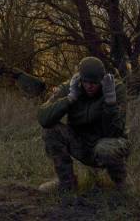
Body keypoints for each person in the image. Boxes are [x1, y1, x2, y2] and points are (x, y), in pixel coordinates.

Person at [37, 56, 129, 192]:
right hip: (80, 142)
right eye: (86, 81)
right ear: (80, 79)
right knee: (50, 130)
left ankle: (122, 184)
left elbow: (115, 131)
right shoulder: (70, 86)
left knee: (106, 148)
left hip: (107, 141)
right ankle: (66, 183)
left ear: (102, 79)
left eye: (94, 82)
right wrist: (70, 98)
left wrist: (110, 102)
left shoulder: (115, 88)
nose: (89, 86)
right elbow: (43, 118)